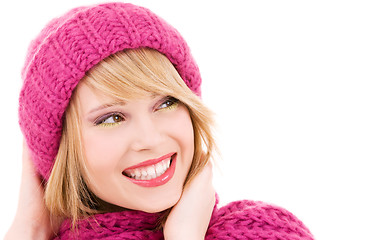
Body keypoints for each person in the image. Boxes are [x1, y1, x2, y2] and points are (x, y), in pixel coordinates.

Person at [6, 2, 314, 239]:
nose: (151, 139)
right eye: (112, 118)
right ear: (61, 148)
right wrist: (28, 227)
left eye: (166, 102)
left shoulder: (263, 231)